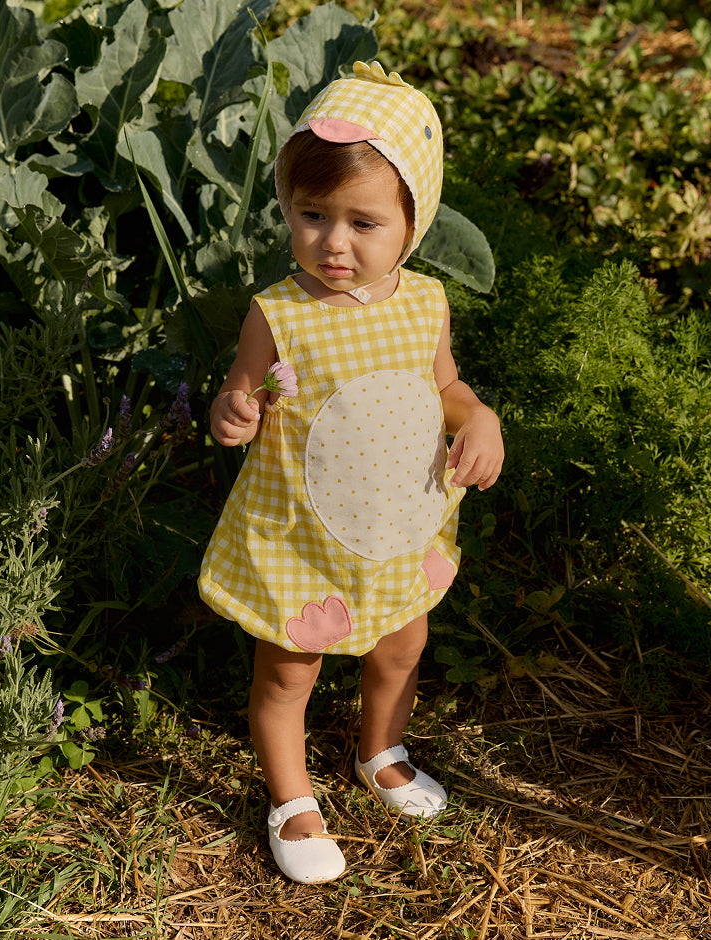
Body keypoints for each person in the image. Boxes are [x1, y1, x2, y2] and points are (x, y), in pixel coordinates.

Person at [199, 61, 504, 884]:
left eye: (363, 222)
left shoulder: (426, 303)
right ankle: (292, 797)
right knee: (288, 666)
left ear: (415, 222)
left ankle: (381, 749)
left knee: (403, 643)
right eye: (311, 215)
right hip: (301, 535)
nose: (333, 242)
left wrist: (478, 417)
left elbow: (444, 386)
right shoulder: (278, 313)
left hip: (398, 525)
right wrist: (235, 411)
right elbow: (242, 390)